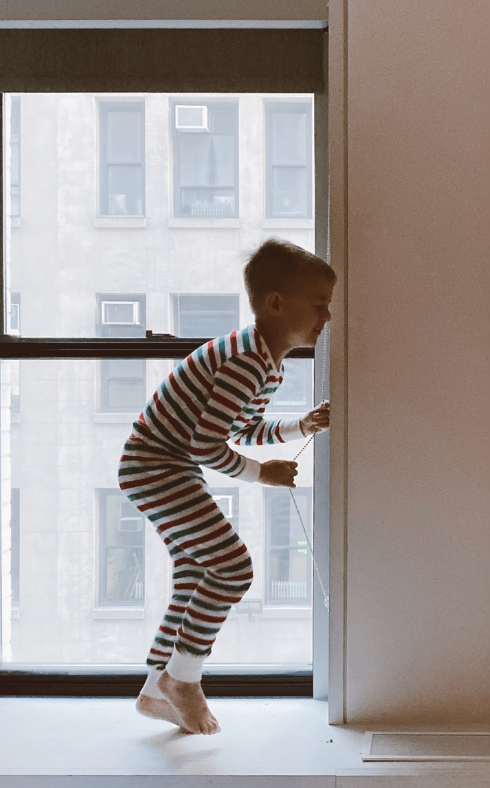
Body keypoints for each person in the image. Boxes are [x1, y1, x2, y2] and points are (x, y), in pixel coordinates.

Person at [118, 238, 336, 734]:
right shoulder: (246, 360)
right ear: (276, 303)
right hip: (158, 465)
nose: (326, 318)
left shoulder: (263, 361)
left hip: (162, 464)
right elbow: (204, 446)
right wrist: (265, 473)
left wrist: (300, 428)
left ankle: (157, 687)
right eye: (318, 306)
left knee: (198, 569)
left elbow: (240, 430)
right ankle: (184, 680)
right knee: (233, 568)